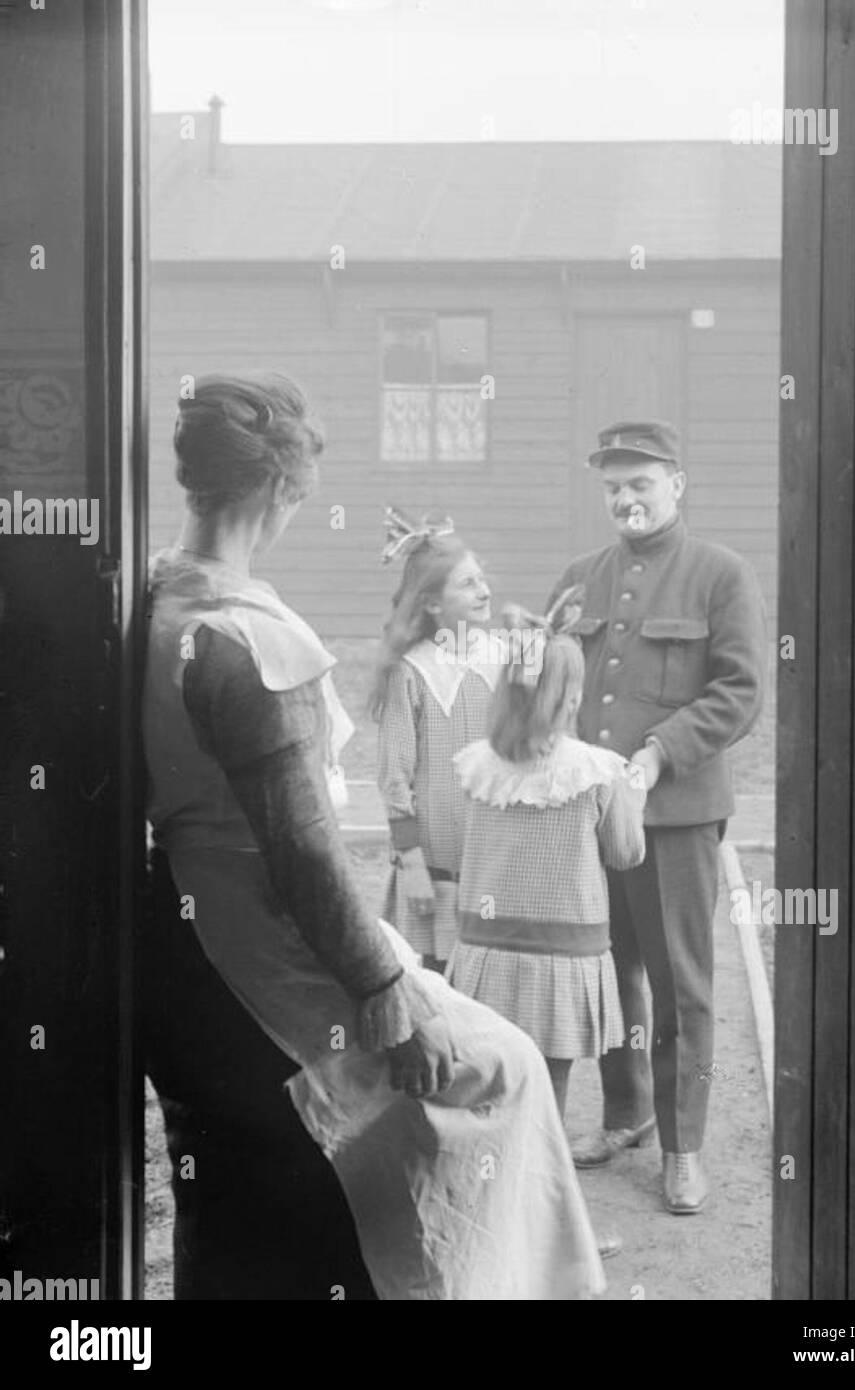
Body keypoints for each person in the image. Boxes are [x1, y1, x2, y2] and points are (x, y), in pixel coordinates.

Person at [143, 370, 604, 1299]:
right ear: (281, 490)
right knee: (502, 1071)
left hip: (181, 937)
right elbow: (305, 852)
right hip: (260, 946)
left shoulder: (154, 598)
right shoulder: (246, 640)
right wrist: (392, 991)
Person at [547, 420, 766, 1215]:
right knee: (602, 971)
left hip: (673, 815)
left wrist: (656, 755)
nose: (625, 499)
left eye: (640, 483)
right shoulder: (578, 578)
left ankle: (683, 1146)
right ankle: (625, 1112)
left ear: (678, 483)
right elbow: (551, 689)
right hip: (582, 816)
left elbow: (740, 694)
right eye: (612, 486)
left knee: (680, 983)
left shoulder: (721, 574)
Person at [446, 595, 645, 1121]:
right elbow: (625, 854)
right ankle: (541, 1189)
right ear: (571, 697)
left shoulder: (476, 767)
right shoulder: (596, 771)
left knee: (492, 1087)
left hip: (486, 953)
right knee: (546, 1095)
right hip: (562, 956)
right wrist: (635, 796)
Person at [373, 510, 500, 971]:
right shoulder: (413, 671)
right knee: (435, 989)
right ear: (431, 603)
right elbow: (394, 776)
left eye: (482, 579)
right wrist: (411, 864)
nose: (483, 591)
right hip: (434, 866)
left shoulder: (506, 659)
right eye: (467, 584)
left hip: (496, 861)